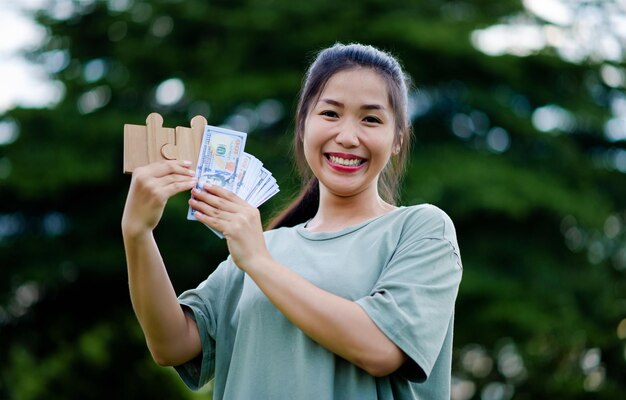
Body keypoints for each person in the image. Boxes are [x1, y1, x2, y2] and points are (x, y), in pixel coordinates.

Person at [121, 42, 463, 399]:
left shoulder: (421, 230)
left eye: (371, 119)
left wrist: (257, 261)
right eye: (330, 114)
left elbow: (380, 350)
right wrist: (137, 233)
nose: (347, 137)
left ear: (397, 139)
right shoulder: (265, 244)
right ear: (302, 126)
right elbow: (173, 345)